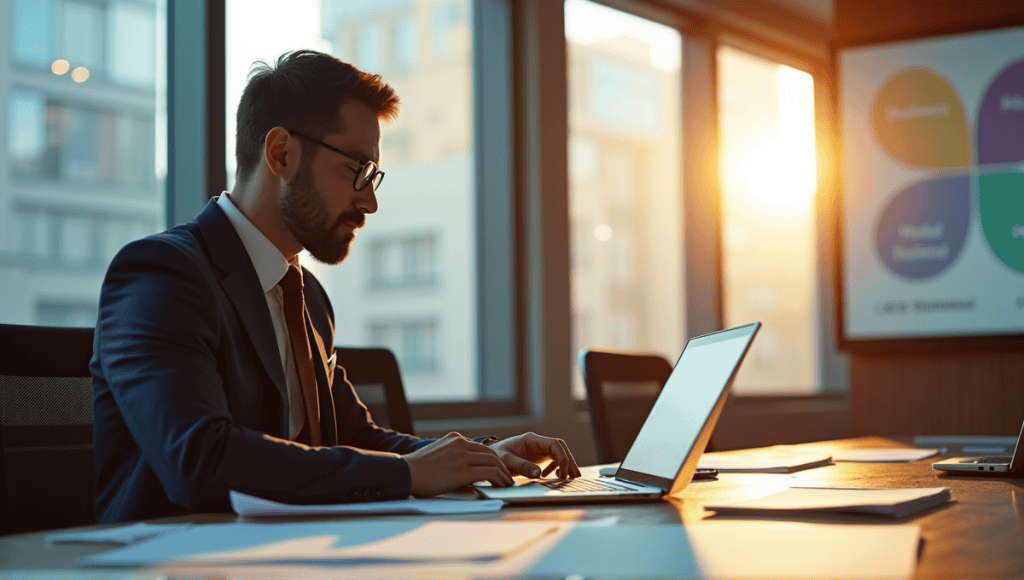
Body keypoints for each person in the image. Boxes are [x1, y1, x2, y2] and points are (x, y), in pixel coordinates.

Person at [90, 49, 580, 524]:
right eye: (356, 171)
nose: (369, 203)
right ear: (281, 153)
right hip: (171, 560)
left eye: (373, 177)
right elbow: (199, 460)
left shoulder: (306, 297)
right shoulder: (162, 274)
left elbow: (358, 439)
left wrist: (477, 457)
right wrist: (409, 473)